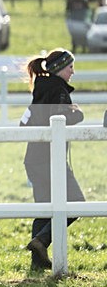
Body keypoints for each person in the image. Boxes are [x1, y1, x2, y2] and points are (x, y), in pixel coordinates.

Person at [19, 49, 85, 271]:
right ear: (59, 69)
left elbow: (24, 124)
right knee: (76, 204)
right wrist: (78, 113)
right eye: (70, 67)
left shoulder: (40, 89)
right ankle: (42, 241)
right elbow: (60, 117)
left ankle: (37, 263)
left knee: (44, 208)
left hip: (33, 159)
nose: (73, 72)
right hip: (50, 158)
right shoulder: (57, 89)